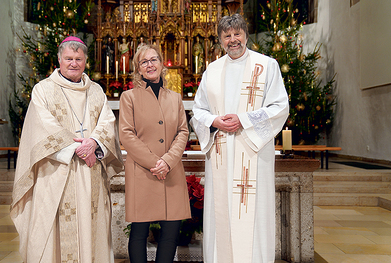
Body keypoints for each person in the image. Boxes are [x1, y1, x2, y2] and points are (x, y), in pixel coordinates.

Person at [10, 36, 124, 263]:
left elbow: (107, 123)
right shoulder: (43, 90)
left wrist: (94, 144)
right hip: (56, 171)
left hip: (92, 170)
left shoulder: (96, 91)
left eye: (78, 59)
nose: (74, 63)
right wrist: (76, 147)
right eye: (69, 58)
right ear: (59, 59)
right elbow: (41, 126)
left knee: (93, 227)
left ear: (85, 61)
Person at [190, 13, 289, 262]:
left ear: (246, 35)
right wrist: (214, 121)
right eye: (227, 36)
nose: (233, 40)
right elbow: (197, 110)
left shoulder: (267, 65)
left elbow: (280, 107)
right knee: (221, 212)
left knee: (253, 214)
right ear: (220, 40)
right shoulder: (212, 70)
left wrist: (243, 120)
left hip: (253, 151)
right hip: (221, 152)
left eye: (237, 34)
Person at [119, 44, 191, 263]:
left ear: (162, 64)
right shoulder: (128, 97)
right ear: (138, 69)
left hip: (171, 171)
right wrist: (155, 163)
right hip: (142, 171)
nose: (150, 65)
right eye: (144, 62)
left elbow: (183, 131)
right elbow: (126, 135)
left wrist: (167, 162)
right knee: (139, 231)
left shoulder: (175, 98)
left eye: (154, 60)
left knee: (170, 233)